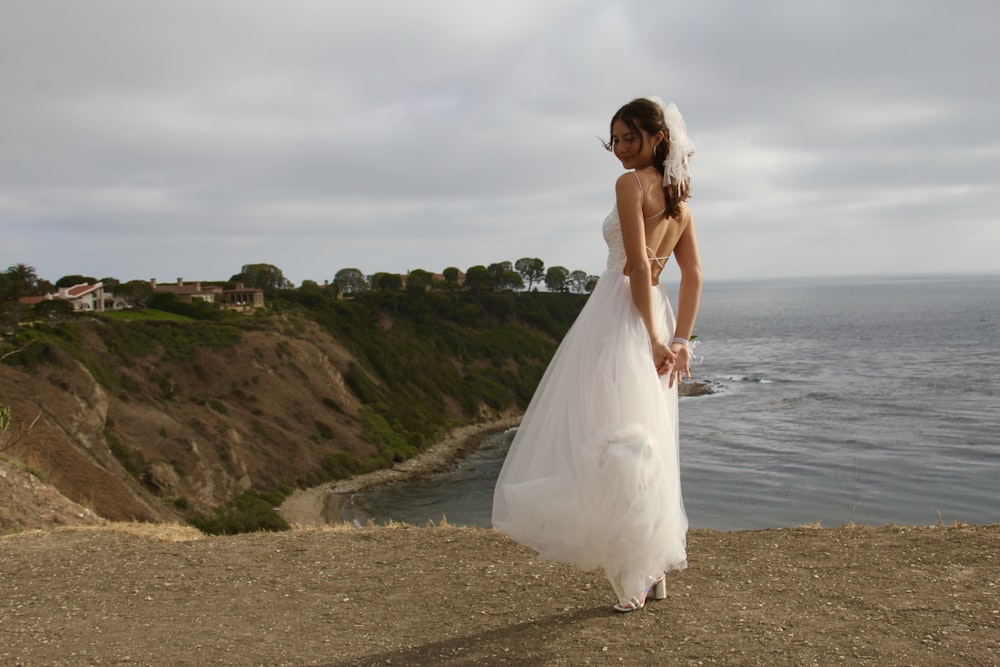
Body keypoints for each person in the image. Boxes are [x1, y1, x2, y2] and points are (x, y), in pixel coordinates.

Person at [492, 97, 702, 613]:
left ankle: (636, 570)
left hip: (620, 313)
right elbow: (693, 276)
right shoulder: (680, 203)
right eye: (615, 140)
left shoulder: (630, 185)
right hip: (652, 310)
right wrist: (680, 339)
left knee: (613, 440)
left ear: (658, 138)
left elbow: (633, 263)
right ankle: (649, 567)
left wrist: (657, 339)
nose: (621, 150)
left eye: (630, 138)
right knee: (643, 437)